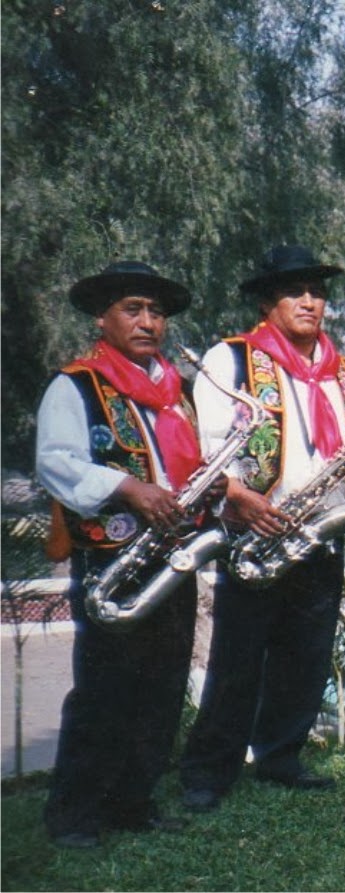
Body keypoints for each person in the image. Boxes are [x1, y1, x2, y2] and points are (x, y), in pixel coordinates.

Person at [180, 245, 345, 811]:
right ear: (267, 302)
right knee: (239, 655)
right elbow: (210, 448)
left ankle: (282, 755)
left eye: (318, 292)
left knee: (305, 654)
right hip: (255, 530)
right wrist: (239, 497)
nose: (310, 302)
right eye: (295, 292)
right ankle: (210, 771)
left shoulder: (343, 371)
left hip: (317, 530)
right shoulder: (231, 359)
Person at [37, 262, 203, 848]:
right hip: (112, 557)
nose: (148, 322)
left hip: (173, 553)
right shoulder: (75, 385)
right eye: (133, 309)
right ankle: (76, 814)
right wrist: (130, 488)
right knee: (106, 687)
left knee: (162, 684)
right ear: (102, 317)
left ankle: (134, 801)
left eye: (156, 312)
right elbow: (57, 463)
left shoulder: (176, 390)